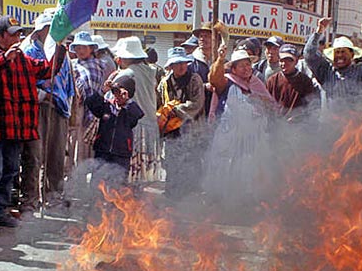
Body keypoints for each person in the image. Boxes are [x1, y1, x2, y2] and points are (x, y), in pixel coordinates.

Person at [0, 15, 65, 235]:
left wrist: (59, 50)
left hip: (15, 127)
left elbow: (45, 70)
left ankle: (1, 211)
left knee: (10, 171)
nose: (17, 37)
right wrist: (3, 58)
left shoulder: (21, 57)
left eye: (19, 33)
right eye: (13, 33)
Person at [204, 47, 278, 214]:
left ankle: (244, 202)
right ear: (234, 69)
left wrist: (258, 102)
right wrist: (220, 58)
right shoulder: (226, 81)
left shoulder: (255, 83)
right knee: (225, 167)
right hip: (228, 138)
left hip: (251, 139)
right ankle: (222, 203)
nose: (246, 68)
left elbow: (270, 104)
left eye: (248, 64)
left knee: (247, 168)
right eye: (241, 65)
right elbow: (214, 78)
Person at [21, 12, 75, 215]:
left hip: (59, 109)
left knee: (56, 157)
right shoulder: (29, 51)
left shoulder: (63, 53)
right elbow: (25, 82)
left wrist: (67, 107)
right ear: (42, 30)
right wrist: (42, 94)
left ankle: (53, 197)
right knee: (35, 157)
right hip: (37, 108)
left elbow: (68, 83)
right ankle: (31, 200)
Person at [112, 36, 163, 182]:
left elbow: (113, 97)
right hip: (150, 123)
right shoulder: (149, 71)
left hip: (135, 125)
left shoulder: (126, 74)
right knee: (142, 170)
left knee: (130, 168)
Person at [157, 47, 205, 198]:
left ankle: (189, 196)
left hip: (192, 130)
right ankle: (172, 193)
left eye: (183, 63)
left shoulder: (194, 79)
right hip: (171, 132)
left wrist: (176, 110)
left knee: (191, 163)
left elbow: (197, 104)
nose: (181, 66)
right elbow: (159, 103)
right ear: (171, 66)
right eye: (177, 63)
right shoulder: (164, 83)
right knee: (171, 163)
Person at [304, 17, 362, 101]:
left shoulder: (361, 72)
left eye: (343, 52)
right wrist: (318, 32)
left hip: (357, 113)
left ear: (352, 55)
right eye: (337, 52)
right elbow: (309, 55)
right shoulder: (326, 72)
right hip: (331, 113)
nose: (340, 55)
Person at [86, 75, 144, 185]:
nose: (117, 95)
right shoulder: (107, 107)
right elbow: (90, 102)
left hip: (121, 154)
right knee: (98, 181)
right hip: (102, 151)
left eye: (120, 92)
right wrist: (103, 91)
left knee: (118, 184)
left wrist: (127, 101)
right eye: (114, 92)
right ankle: (95, 201)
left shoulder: (130, 110)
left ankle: (115, 202)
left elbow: (137, 115)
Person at [67, 31, 106, 169]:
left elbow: (95, 88)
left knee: (85, 148)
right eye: (77, 47)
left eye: (84, 47)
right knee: (74, 145)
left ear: (91, 49)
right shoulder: (71, 64)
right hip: (75, 110)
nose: (80, 50)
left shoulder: (97, 65)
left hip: (91, 112)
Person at [266, 43, 316, 119]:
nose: (284, 63)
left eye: (289, 60)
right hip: (275, 125)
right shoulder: (272, 81)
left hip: (297, 127)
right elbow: (266, 104)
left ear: (296, 61)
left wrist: (299, 118)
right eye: (281, 60)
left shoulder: (305, 82)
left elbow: (310, 106)